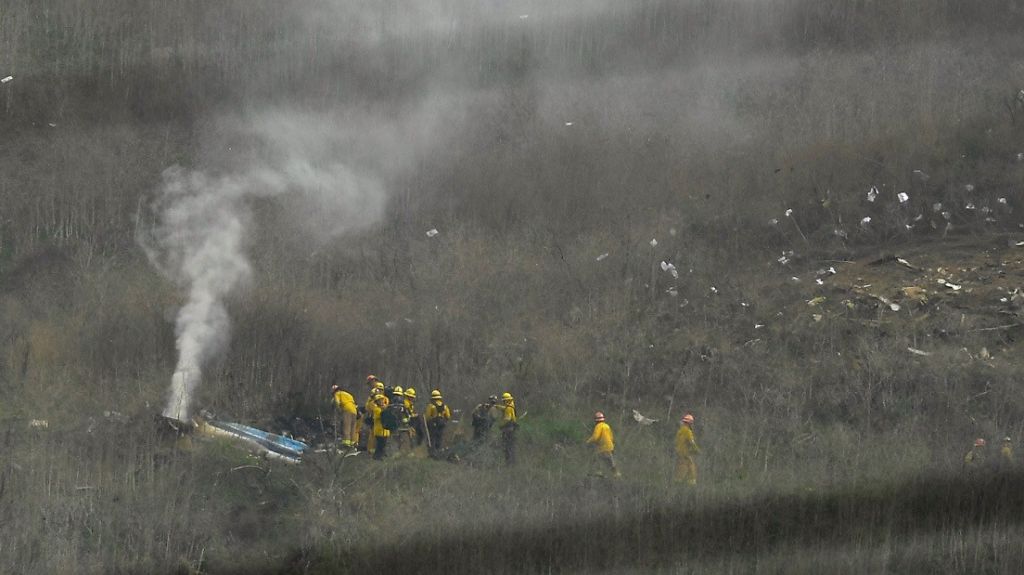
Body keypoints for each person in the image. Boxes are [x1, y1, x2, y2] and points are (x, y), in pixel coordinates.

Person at [587, 411, 620, 478]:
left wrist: (588, 441)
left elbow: (595, 437)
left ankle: (599, 472)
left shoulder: (598, 426)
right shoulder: (607, 426)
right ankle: (616, 474)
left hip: (602, 447)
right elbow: (611, 437)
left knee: (596, 458)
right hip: (610, 447)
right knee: (610, 461)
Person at [360, 377, 387, 452]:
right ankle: (371, 450)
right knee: (373, 435)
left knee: (380, 437)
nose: (380, 391)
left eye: (381, 390)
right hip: (374, 418)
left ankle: (378, 450)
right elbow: (368, 407)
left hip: (382, 420)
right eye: (379, 389)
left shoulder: (385, 398)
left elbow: (386, 407)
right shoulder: (372, 399)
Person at [674, 413, 700, 485]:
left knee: (682, 467)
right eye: (691, 423)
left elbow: (676, 442)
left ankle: (680, 483)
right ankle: (690, 484)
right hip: (686, 453)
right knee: (690, 468)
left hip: (679, 452)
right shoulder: (688, 431)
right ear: (689, 423)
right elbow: (691, 442)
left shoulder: (679, 431)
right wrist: (697, 450)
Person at [425, 389, 451, 457]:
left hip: (433, 425)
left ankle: (432, 453)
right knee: (439, 437)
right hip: (442, 424)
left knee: (432, 438)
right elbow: (448, 416)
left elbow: (427, 417)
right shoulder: (445, 406)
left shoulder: (431, 406)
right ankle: (438, 451)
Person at [499, 392, 518, 465]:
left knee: (507, 447)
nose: (503, 402)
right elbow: (504, 408)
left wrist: (501, 426)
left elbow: (507, 419)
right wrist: (496, 406)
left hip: (508, 430)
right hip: (512, 429)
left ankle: (509, 463)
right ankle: (512, 462)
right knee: (511, 446)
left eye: (504, 400)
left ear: (506, 400)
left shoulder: (508, 409)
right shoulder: (511, 406)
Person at [370, 392, 391, 460]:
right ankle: (377, 457)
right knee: (380, 445)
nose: (381, 401)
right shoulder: (376, 409)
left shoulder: (385, 408)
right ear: (377, 402)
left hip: (385, 431)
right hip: (379, 431)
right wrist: (384, 409)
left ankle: (381, 455)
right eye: (380, 400)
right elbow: (380, 416)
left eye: (382, 400)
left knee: (383, 444)